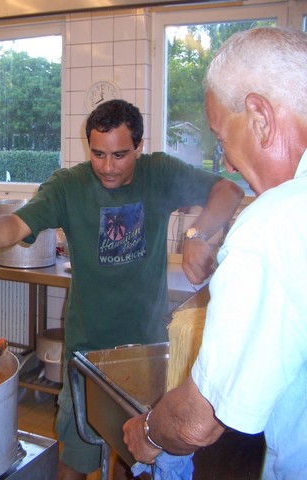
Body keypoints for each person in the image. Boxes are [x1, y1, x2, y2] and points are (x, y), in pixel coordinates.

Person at [0, 98, 244, 479]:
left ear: (138, 146)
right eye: (98, 154)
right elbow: (19, 226)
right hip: (86, 350)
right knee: (74, 454)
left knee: (132, 455)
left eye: (120, 155)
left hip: (145, 350)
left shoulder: (159, 173)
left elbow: (228, 191)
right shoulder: (68, 186)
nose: (107, 167)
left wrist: (199, 234)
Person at [122, 26, 307, 479]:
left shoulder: (276, 221)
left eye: (222, 140)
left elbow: (197, 422)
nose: (226, 160)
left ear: (260, 117)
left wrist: (147, 431)